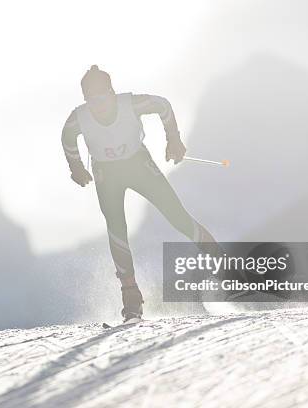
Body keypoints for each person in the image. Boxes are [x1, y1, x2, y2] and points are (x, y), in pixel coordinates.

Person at [61, 65, 218, 322]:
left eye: (101, 98)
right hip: (107, 174)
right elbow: (67, 137)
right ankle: (131, 298)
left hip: (138, 165)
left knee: (177, 217)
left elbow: (163, 105)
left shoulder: (130, 104)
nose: (97, 105)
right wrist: (76, 167)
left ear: (112, 92)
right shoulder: (79, 117)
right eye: (91, 101)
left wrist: (174, 140)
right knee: (116, 230)